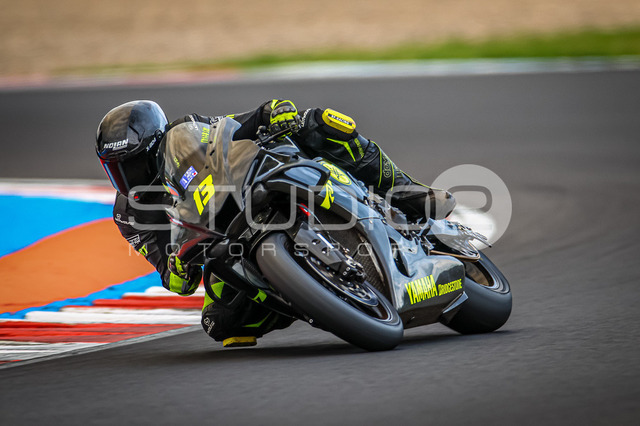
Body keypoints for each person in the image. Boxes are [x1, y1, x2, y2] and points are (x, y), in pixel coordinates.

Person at [95, 99, 455, 347]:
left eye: (134, 164)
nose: (128, 176)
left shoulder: (186, 133)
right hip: (223, 242)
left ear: (155, 146)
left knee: (321, 122)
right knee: (220, 322)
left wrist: (272, 111)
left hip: (254, 188)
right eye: (118, 169)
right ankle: (309, 295)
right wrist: (177, 266)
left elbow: (234, 126)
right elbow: (175, 280)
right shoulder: (130, 215)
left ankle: (405, 190)